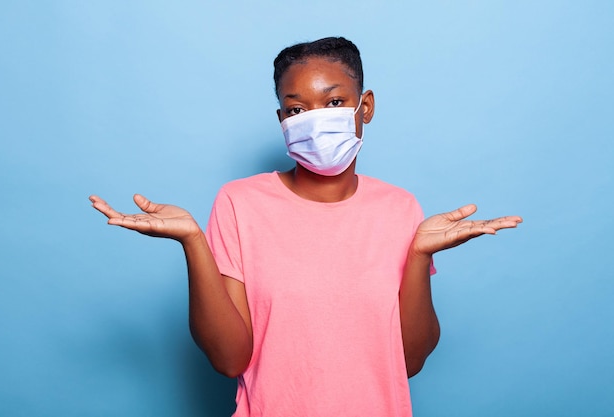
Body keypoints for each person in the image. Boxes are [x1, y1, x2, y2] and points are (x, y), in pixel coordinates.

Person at [90, 37, 522, 416]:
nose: (316, 119)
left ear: (364, 107)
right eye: (297, 109)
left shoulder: (400, 207)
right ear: (283, 120)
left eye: (334, 102)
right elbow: (229, 359)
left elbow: (407, 362)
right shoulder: (240, 203)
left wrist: (418, 256)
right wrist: (192, 242)